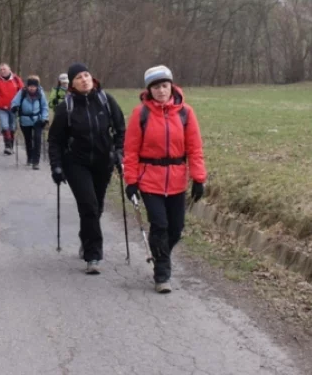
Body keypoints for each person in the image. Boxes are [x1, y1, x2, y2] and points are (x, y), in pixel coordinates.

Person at [123, 66, 206, 294]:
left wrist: (199, 178)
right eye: (156, 87)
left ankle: (161, 255)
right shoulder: (141, 114)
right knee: (159, 225)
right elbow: (130, 151)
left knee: (176, 228)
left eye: (164, 86)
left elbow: (194, 148)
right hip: (150, 179)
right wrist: (131, 181)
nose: (161, 91)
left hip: (177, 180)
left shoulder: (185, 113)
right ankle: (162, 272)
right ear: (149, 90)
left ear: (172, 86)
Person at [48, 63, 125, 274]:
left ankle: (86, 237)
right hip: (76, 164)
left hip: (103, 162)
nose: (84, 79)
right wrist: (56, 166)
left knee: (96, 206)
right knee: (89, 206)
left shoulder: (106, 101)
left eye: (86, 75)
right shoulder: (66, 107)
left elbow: (120, 129)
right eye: (79, 77)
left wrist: (119, 151)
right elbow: (55, 140)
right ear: (71, 84)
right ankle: (93, 255)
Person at [11, 75, 48, 170]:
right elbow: (15, 102)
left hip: (38, 119)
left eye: (34, 86)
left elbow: (44, 107)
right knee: (28, 140)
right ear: (27, 86)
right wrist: (14, 107)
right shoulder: (22, 92)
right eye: (30, 86)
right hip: (25, 119)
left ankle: (36, 162)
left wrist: (44, 118)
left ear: (37, 86)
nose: (32, 88)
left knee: (37, 139)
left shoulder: (41, 93)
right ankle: (30, 157)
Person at [0, 63, 23, 155]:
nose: (2, 71)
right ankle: (7, 146)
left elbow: (22, 92)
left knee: (12, 127)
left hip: (13, 108)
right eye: (0, 69)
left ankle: (11, 145)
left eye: (4, 69)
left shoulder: (16, 80)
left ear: (9, 69)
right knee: (5, 126)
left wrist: (20, 106)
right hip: (1, 107)